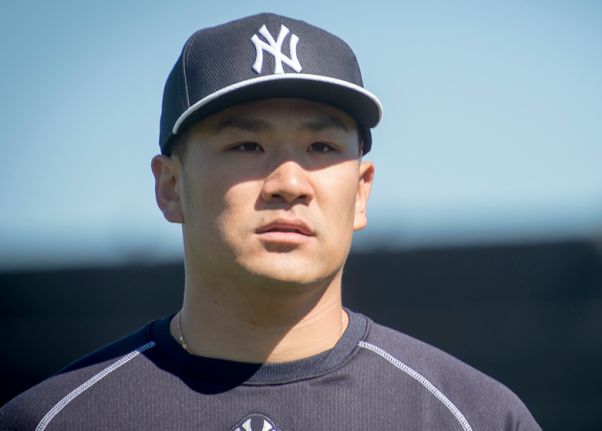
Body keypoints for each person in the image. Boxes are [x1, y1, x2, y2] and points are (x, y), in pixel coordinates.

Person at [0, 13, 541, 430]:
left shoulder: (474, 417)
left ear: (361, 191)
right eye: (247, 144)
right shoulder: (52, 420)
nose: (289, 181)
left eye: (321, 146)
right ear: (170, 186)